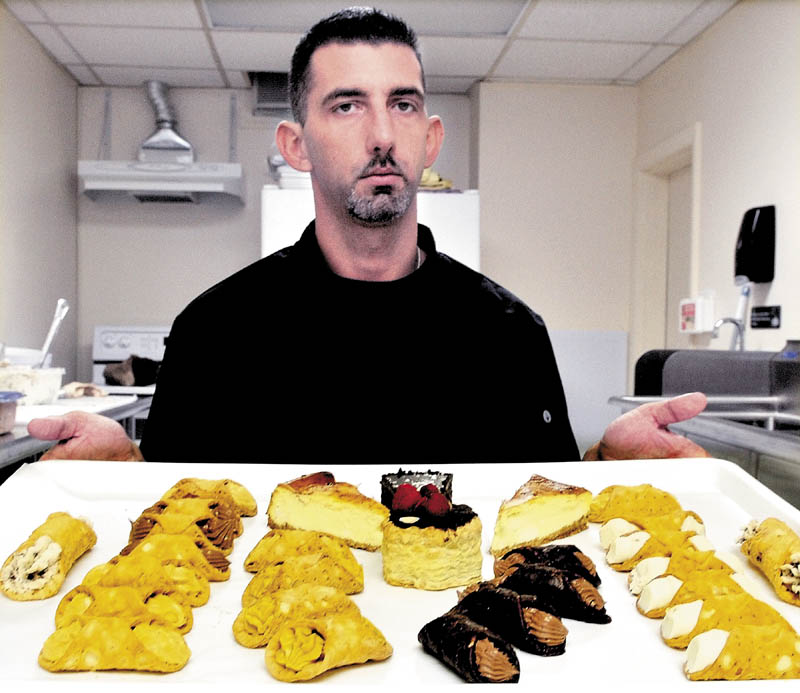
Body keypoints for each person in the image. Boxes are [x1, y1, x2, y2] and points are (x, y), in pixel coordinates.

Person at [27, 7, 709, 464]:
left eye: (403, 104)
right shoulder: (217, 330)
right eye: (347, 104)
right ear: (296, 145)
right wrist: (122, 470)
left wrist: (606, 464)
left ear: (430, 137)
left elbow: (543, 507)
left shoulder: (509, 333)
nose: (382, 134)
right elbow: (173, 506)